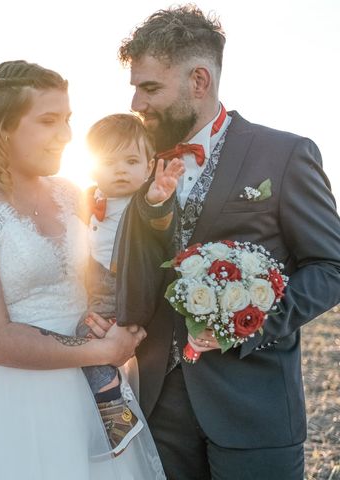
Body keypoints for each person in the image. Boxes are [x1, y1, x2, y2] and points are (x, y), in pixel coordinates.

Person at [99, 5, 340, 479]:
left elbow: (330, 266)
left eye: (149, 88)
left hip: (253, 407)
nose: (136, 104)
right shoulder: (138, 164)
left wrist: (248, 320)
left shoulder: (285, 154)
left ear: (200, 81)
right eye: (134, 88)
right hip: (158, 406)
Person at [0, 60, 165, 479]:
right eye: (48, 121)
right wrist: (101, 351)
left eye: (67, 120)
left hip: (98, 391)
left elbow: (113, 264)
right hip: (14, 399)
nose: (66, 135)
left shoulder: (73, 194)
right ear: (3, 126)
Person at [74, 114, 157, 454]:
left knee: (85, 340)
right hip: (98, 287)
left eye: (132, 161)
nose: (120, 170)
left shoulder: (148, 202)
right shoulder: (89, 201)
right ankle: (108, 407)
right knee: (85, 335)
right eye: (109, 162)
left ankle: (116, 414)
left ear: (149, 166)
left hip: (126, 286)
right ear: (91, 167)